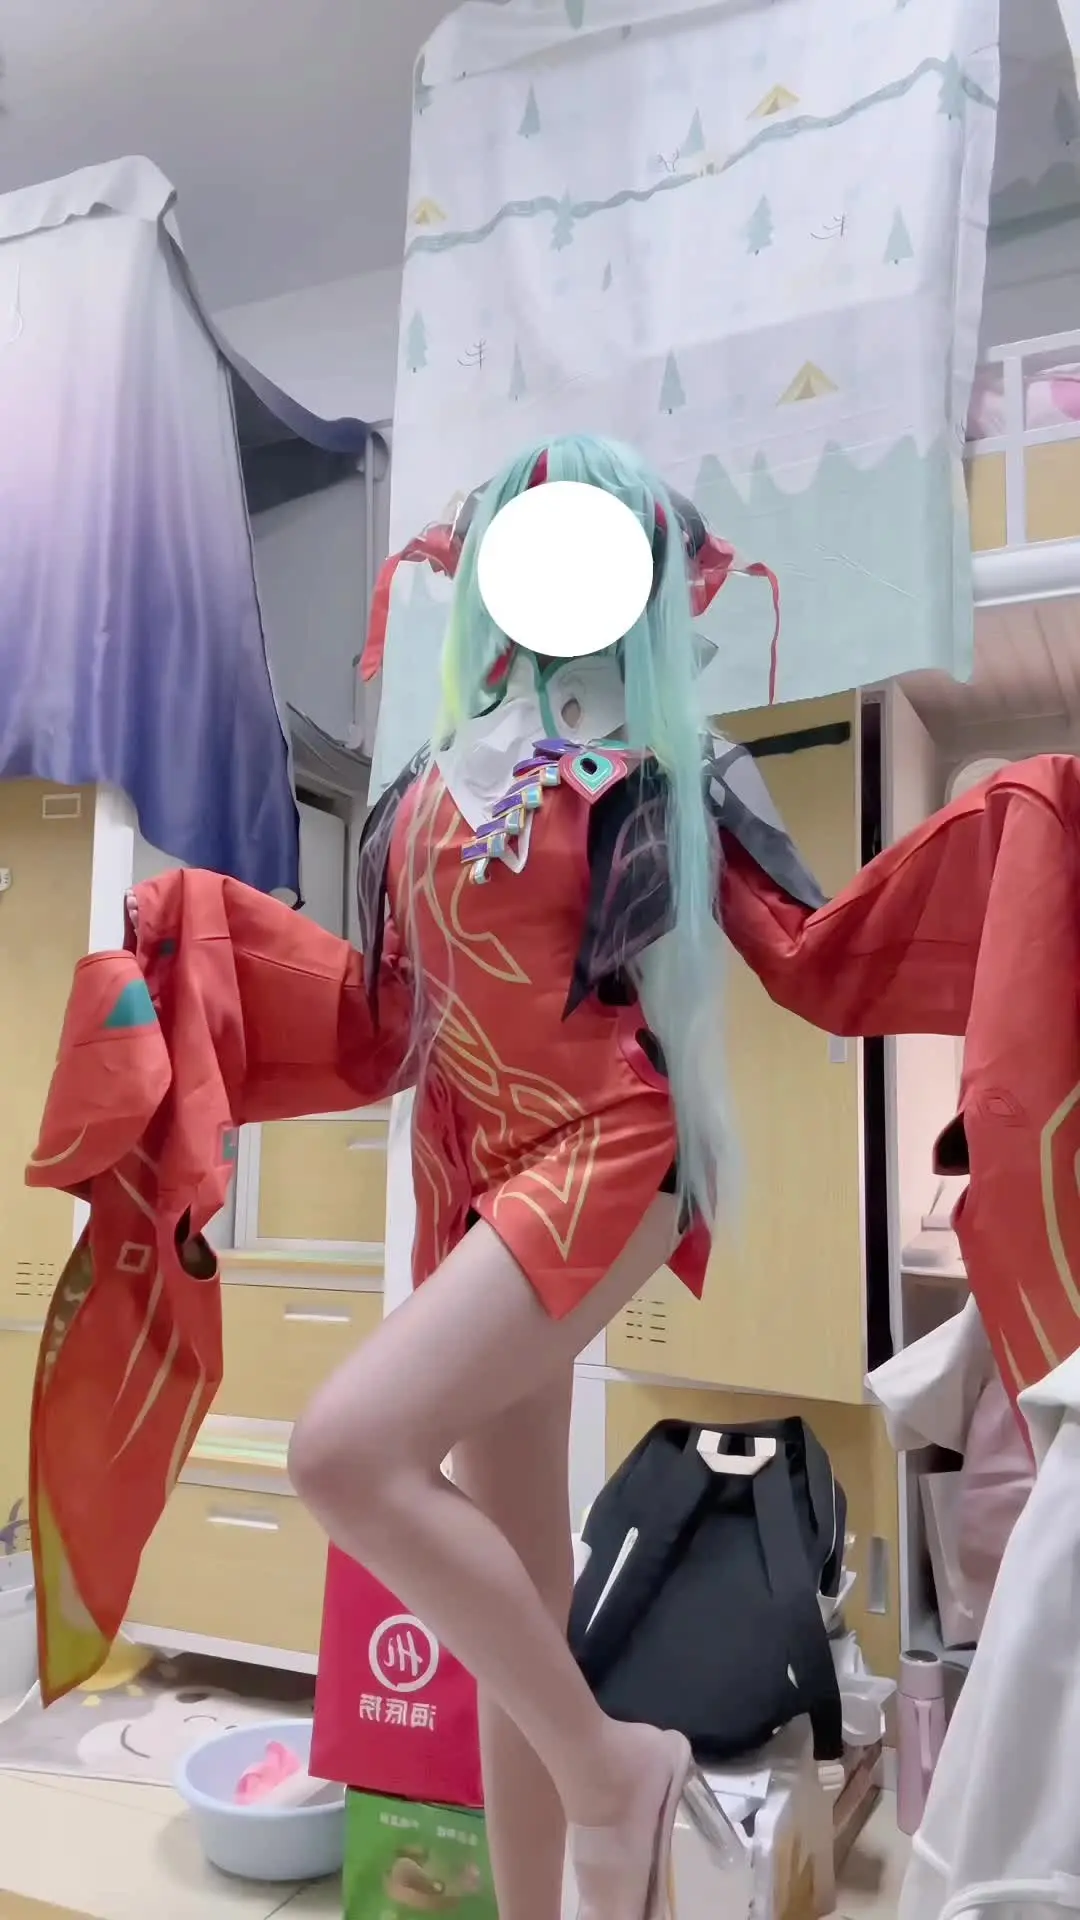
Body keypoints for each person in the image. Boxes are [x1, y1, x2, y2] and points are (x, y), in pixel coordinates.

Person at [288, 435, 820, 1920]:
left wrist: (1018, 848)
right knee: (513, 1587)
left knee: (343, 1453)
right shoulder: (422, 778)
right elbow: (380, 1016)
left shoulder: (671, 765)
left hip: (608, 1147)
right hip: (466, 1165)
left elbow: (816, 948)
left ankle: (610, 1770)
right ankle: (559, 1868)